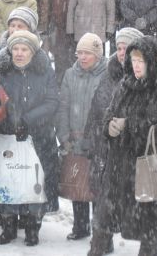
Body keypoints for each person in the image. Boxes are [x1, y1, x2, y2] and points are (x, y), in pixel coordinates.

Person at [90, 36, 157, 256]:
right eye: (133, 60)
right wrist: (109, 127)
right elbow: (108, 114)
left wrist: (131, 125)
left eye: (141, 60)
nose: (136, 65)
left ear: (152, 61)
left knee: (148, 225)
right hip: (118, 167)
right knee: (103, 220)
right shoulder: (125, 86)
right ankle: (97, 250)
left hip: (145, 168)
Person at [0, 30, 59, 247]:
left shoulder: (45, 71)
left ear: (33, 51)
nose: (19, 53)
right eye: (15, 49)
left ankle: (32, 227)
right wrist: (8, 120)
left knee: (34, 182)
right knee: (9, 180)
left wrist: (27, 120)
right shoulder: (2, 70)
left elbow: (51, 102)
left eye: (24, 49)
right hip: (8, 135)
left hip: (38, 136)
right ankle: (9, 226)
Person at [84, 27, 144, 256]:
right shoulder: (109, 74)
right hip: (105, 148)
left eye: (126, 49)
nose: (121, 53)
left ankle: (147, 247)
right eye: (118, 48)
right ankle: (100, 243)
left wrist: (128, 125)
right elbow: (96, 108)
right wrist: (94, 137)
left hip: (133, 153)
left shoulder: (147, 79)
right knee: (103, 201)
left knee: (138, 204)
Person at [56, 33, 107, 241]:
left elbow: (108, 109)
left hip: (98, 140)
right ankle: (80, 226)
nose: (83, 57)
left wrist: (98, 138)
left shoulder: (107, 74)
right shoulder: (70, 74)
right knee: (77, 183)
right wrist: (64, 135)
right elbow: (63, 106)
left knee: (97, 187)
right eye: (80, 53)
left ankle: (101, 233)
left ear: (98, 55)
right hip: (75, 138)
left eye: (88, 53)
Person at [47, 0, 77, 85]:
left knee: (72, 57)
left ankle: (72, 82)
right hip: (57, 29)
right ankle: (59, 82)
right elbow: (48, 8)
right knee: (59, 56)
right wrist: (48, 25)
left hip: (73, 30)